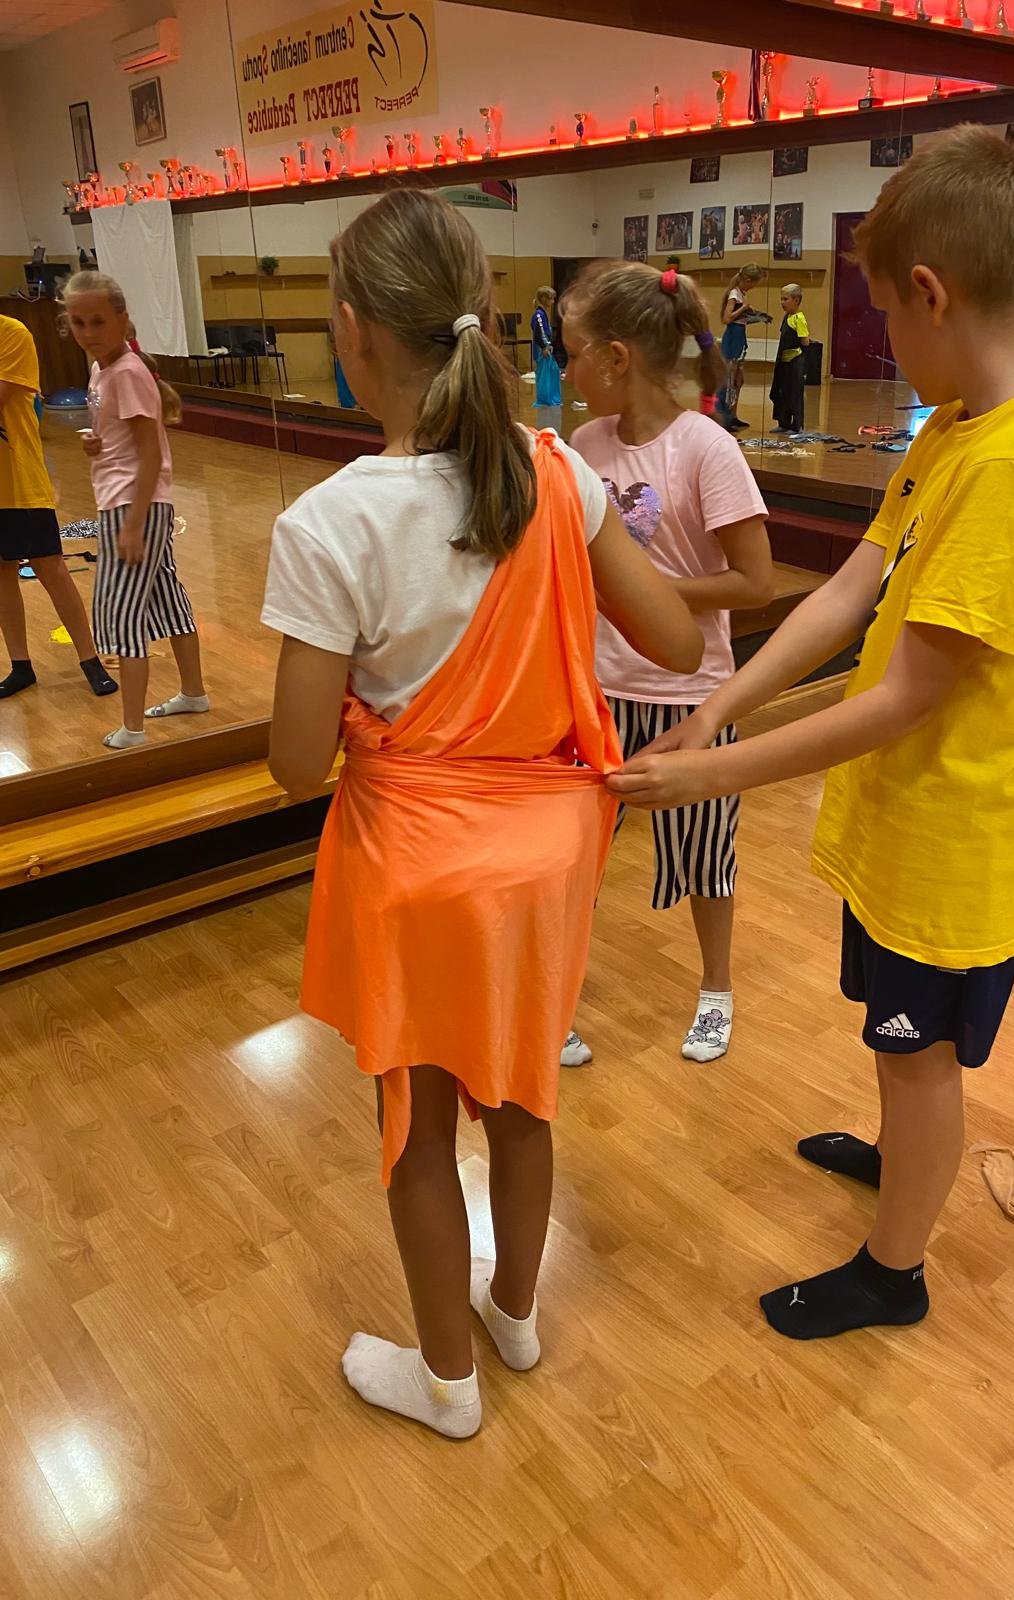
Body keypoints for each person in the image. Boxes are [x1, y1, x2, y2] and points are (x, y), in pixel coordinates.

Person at [609, 126, 1014, 1342]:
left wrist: (713, 773)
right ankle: (899, 1163)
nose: (882, 335)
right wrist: (716, 703)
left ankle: (896, 1272)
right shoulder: (955, 428)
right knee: (895, 1044)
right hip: (905, 815)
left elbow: (901, 699)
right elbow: (847, 590)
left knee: (917, 1056)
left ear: (931, 292)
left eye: (884, 311)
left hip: (955, 832)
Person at [262, 189, 700, 1439]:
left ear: (353, 330)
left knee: (416, 1126)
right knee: (522, 1097)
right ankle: (515, 1313)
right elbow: (676, 639)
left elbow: (294, 765)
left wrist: (376, 724)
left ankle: (446, 1383)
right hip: (547, 854)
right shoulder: (557, 473)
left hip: (420, 862)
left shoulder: (330, 521)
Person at [557, 260, 773, 1069]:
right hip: (599, 693)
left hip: (691, 697)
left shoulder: (705, 448)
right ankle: (555, 996)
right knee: (573, 858)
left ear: (617, 358)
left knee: (707, 859)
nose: (567, 374)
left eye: (575, 356)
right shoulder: (582, 446)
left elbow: (755, 581)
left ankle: (716, 990)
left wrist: (645, 592)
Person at [62, 271, 208, 748]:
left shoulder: (127, 372)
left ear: (123, 319)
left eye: (98, 321)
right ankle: (193, 693)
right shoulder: (102, 370)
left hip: (132, 505)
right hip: (125, 499)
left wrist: (134, 524)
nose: (88, 332)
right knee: (169, 599)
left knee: (122, 613)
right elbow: (126, 439)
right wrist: (97, 444)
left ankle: (133, 729)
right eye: (78, 322)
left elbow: (150, 454)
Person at [0, 313, 116, 700]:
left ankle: (90, 659)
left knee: (50, 566)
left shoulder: (12, 333)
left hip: (20, 479)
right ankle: (20, 666)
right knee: (1, 573)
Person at [718, 264, 765, 430]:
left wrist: (754, 316)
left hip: (739, 335)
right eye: (754, 283)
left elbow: (738, 319)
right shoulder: (734, 294)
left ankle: (733, 415)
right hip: (733, 337)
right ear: (748, 280)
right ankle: (723, 417)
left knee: (738, 379)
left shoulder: (741, 294)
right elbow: (727, 318)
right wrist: (744, 308)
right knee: (729, 379)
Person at [769, 283, 811, 434]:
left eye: (785, 299)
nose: (782, 302)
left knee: (794, 393)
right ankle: (783, 423)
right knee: (782, 392)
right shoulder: (787, 316)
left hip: (795, 362)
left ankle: (797, 425)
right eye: (781, 299)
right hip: (784, 362)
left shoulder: (799, 318)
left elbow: (805, 341)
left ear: (796, 300)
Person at [531, 285, 561, 408]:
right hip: (541, 349)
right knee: (544, 375)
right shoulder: (539, 315)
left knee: (552, 372)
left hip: (545, 346)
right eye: (551, 299)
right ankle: (545, 398)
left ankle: (550, 397)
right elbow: (540, 332)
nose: (553, 302)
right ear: (544, 298)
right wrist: (544, 346)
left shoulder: (542, 314)